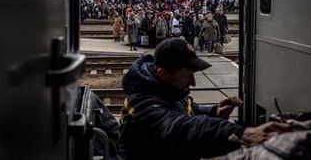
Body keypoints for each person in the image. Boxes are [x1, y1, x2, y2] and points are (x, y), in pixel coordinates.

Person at [119, 38, 291, 160]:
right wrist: (241, 133)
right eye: (188, 76)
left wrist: (215, 111)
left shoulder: (169, 90)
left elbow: (189, 111)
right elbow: (180, 127)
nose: (193, 83)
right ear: (162, 74)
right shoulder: (140, 105)